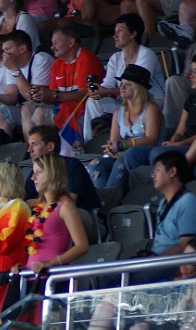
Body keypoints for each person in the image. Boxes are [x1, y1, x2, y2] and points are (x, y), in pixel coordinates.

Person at [82, 14, 165, 142]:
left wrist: (107, 92)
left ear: (133, 34)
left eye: (120, 31)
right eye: (114, 31)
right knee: (93, 102)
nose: (115, 35)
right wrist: (99, 91)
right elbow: (108, 85)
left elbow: (138, 87)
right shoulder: (116, 58)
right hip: (126, 101)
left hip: (150, 101)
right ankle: (92, 143)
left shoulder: (146, 54)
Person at [26, 25, 104, 154]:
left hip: (87, 108)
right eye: (51, 43)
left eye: (56, 42)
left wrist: (52, 95)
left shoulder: (86, 58)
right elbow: (53, 97)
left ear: (71, 42)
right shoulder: (57, 63)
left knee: (66, 108)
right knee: (39, 112)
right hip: (63, 108)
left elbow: (84, 93)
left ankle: (74, 151)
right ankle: (45, 154)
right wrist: (42, 95)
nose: (52, 47)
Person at [91, 64, 163, 190]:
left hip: (146, 154)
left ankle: (109, 200)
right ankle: (101, 199)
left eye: (127, 84)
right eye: (121, 84)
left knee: (123, 161)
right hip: (122, 155)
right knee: (97, 165)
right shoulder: (118, 113)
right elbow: (114, 142)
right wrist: (111, 147)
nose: (122, 87)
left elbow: (151, 140)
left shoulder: (151, 108)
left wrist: (123, 145)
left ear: (138, 88)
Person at [18, 154, 88, 273]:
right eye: (33, 172)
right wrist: (22, 265)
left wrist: (51, 263)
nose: (32, 178)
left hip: (53, 277)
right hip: (31, 276)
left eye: (38, 172)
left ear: (52, 174)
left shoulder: (65, 206)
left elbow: (82, 246)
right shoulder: (38, 208)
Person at [134, 151, 196, 283]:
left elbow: (187, 247)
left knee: (135, 277)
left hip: (173, 263)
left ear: (172, 171)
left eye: (157, 170)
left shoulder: (188, 202)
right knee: (115, 273)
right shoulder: (163, 203)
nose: (152, 175)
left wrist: (156, 261)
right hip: (159, 259)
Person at [24, 125, 101, 213]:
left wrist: (37, 202)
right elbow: (26, 202)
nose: (29, 150)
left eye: (34, 144)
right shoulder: (34, 173)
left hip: (80, 218)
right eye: (29, 145)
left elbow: (69, 201)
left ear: (50, 146)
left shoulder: (71, 165)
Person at [0, 30, 53, 144]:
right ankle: (1, 152)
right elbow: (12, 97)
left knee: (26, 108)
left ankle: (32, 150)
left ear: (22, 48)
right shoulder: (12, 65)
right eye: (3, 50)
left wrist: (15, 70)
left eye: (8, 49)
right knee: (2, 111)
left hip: (49, 105)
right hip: (26, 107)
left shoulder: (41, 59)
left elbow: (33, 96)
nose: (4, 54)